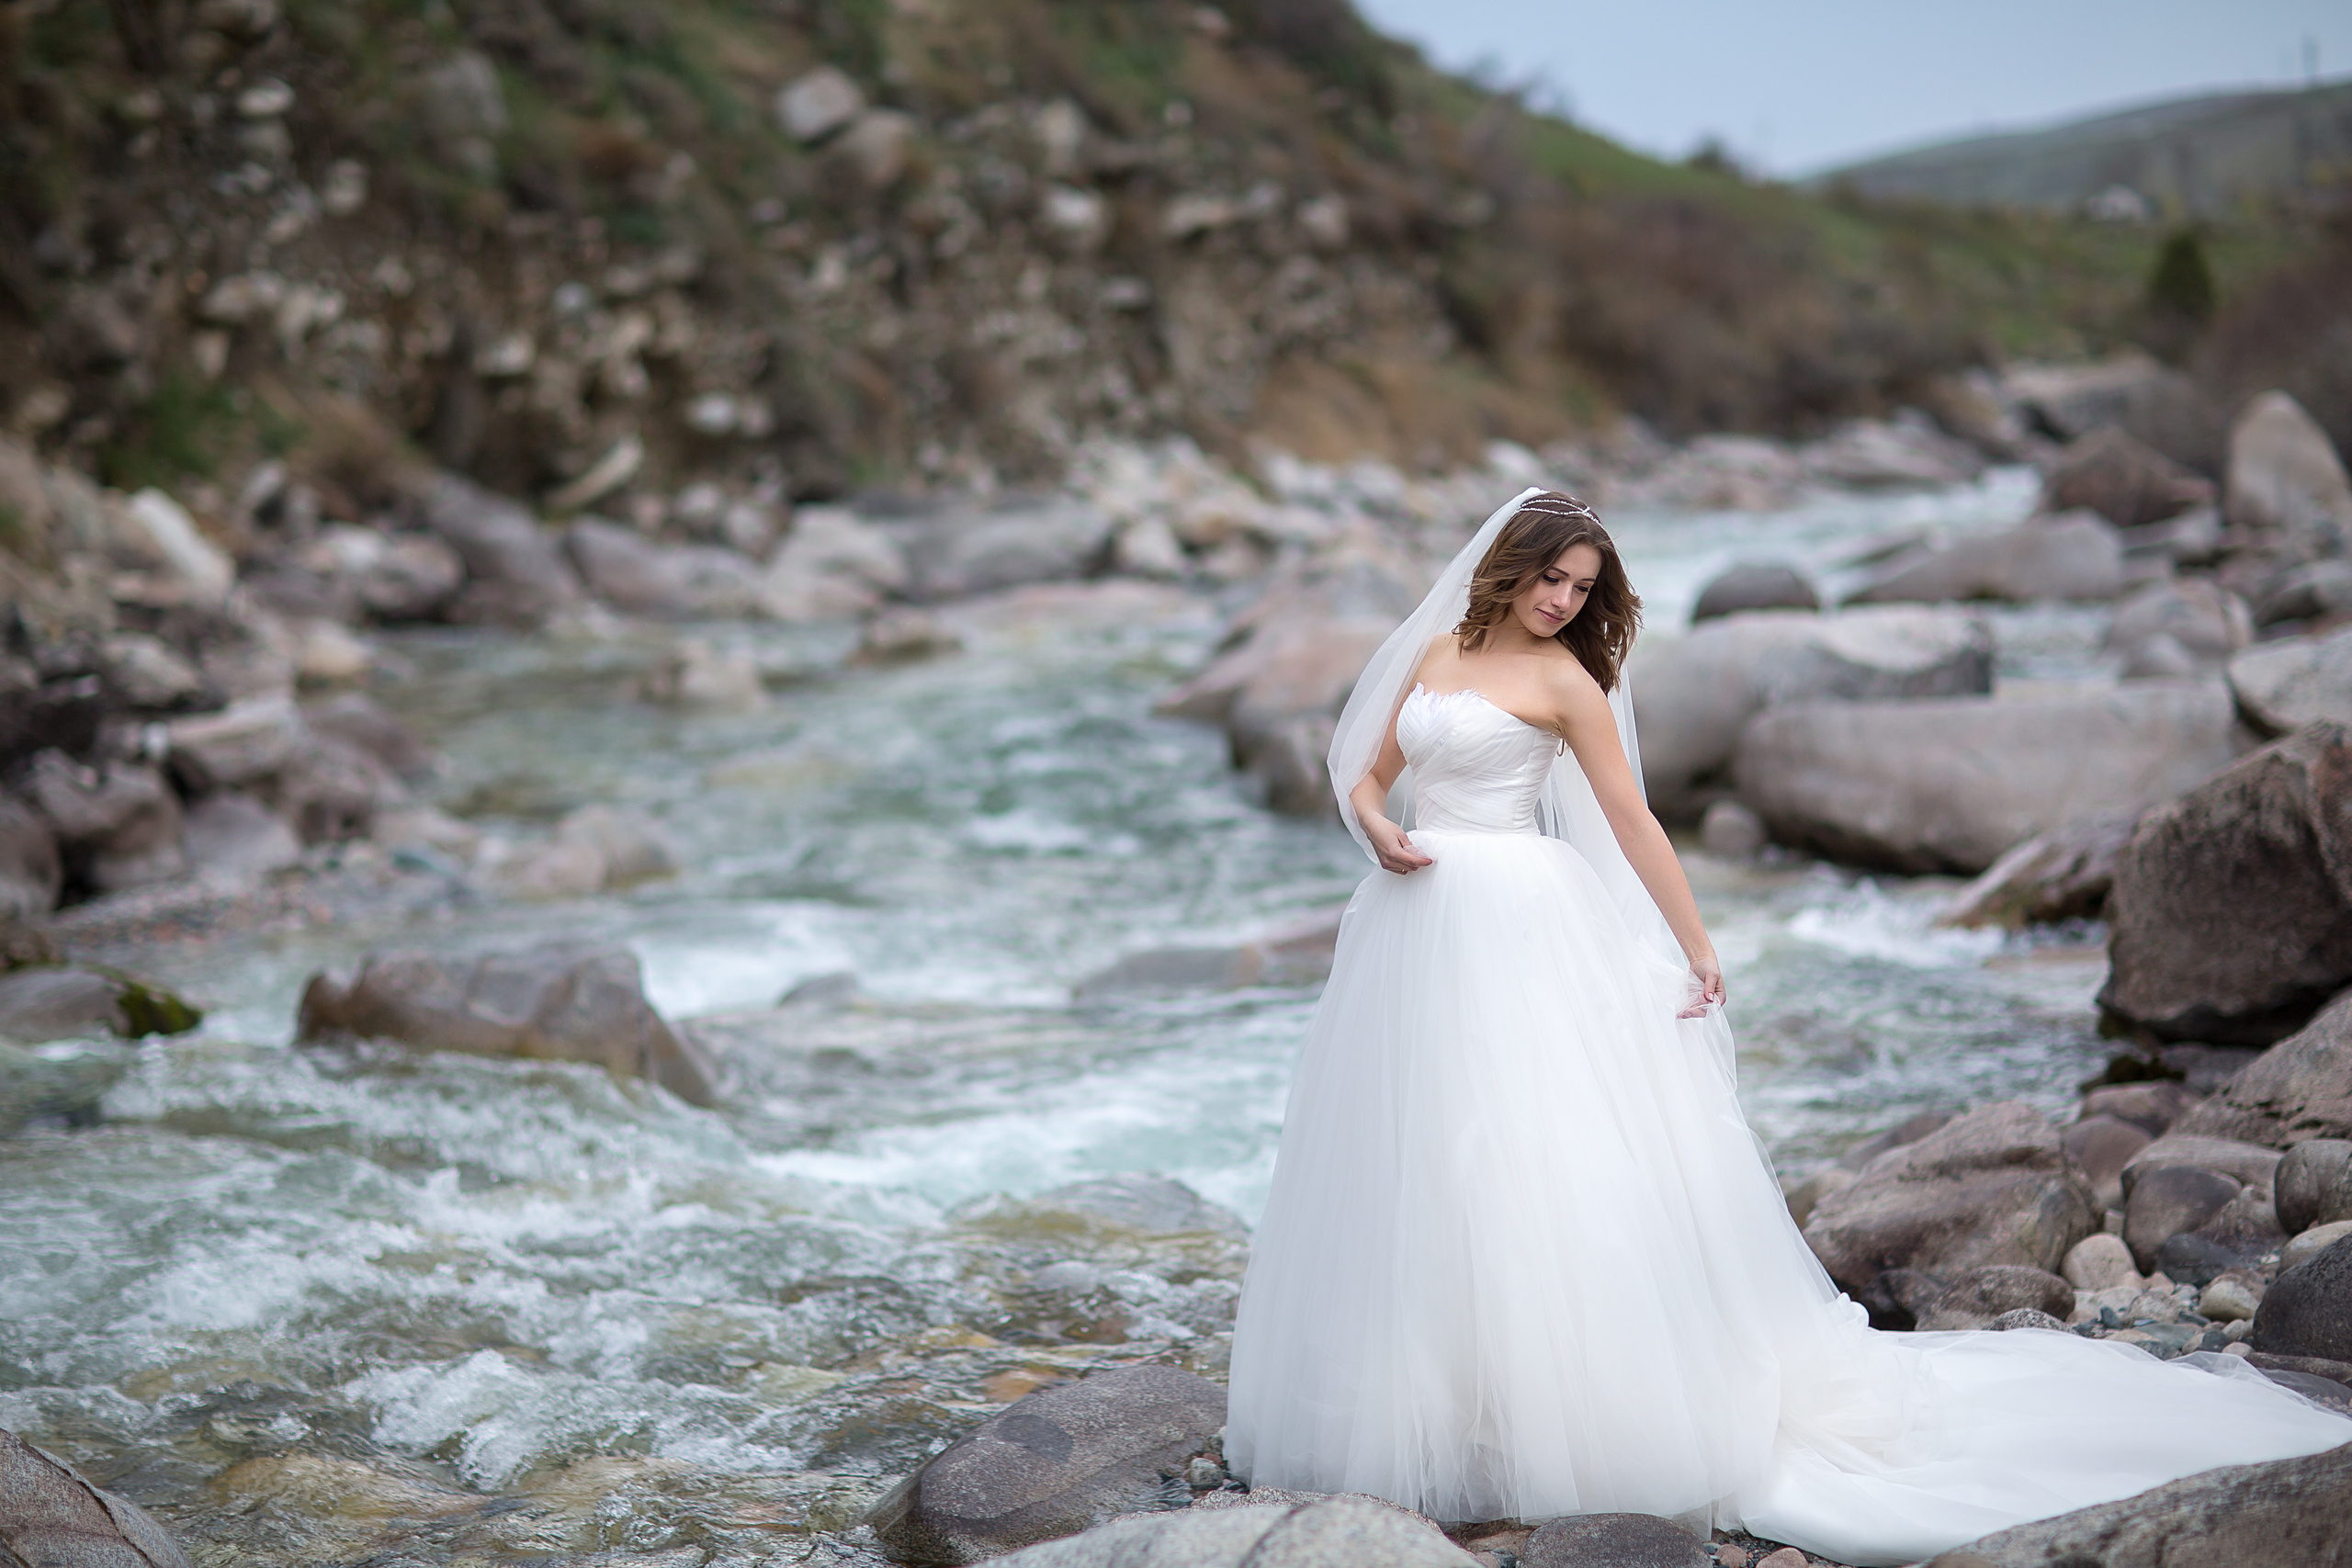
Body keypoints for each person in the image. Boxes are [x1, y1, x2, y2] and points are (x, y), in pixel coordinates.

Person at [1224, 489, 2351, 1566]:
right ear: (1509, 566)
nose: (1564, 600)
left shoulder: (1566, 682)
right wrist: (1377, 830)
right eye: (1552, 578)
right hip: (1412, 925)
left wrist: (1696, 944)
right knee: (1419, 1155)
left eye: (1581, 586)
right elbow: (1366, 776)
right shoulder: (1432, 653)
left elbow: (1634, 823)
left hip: (1519, 922)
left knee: (1524, 1157)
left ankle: (1558, 1409)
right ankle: (1442, 1400)